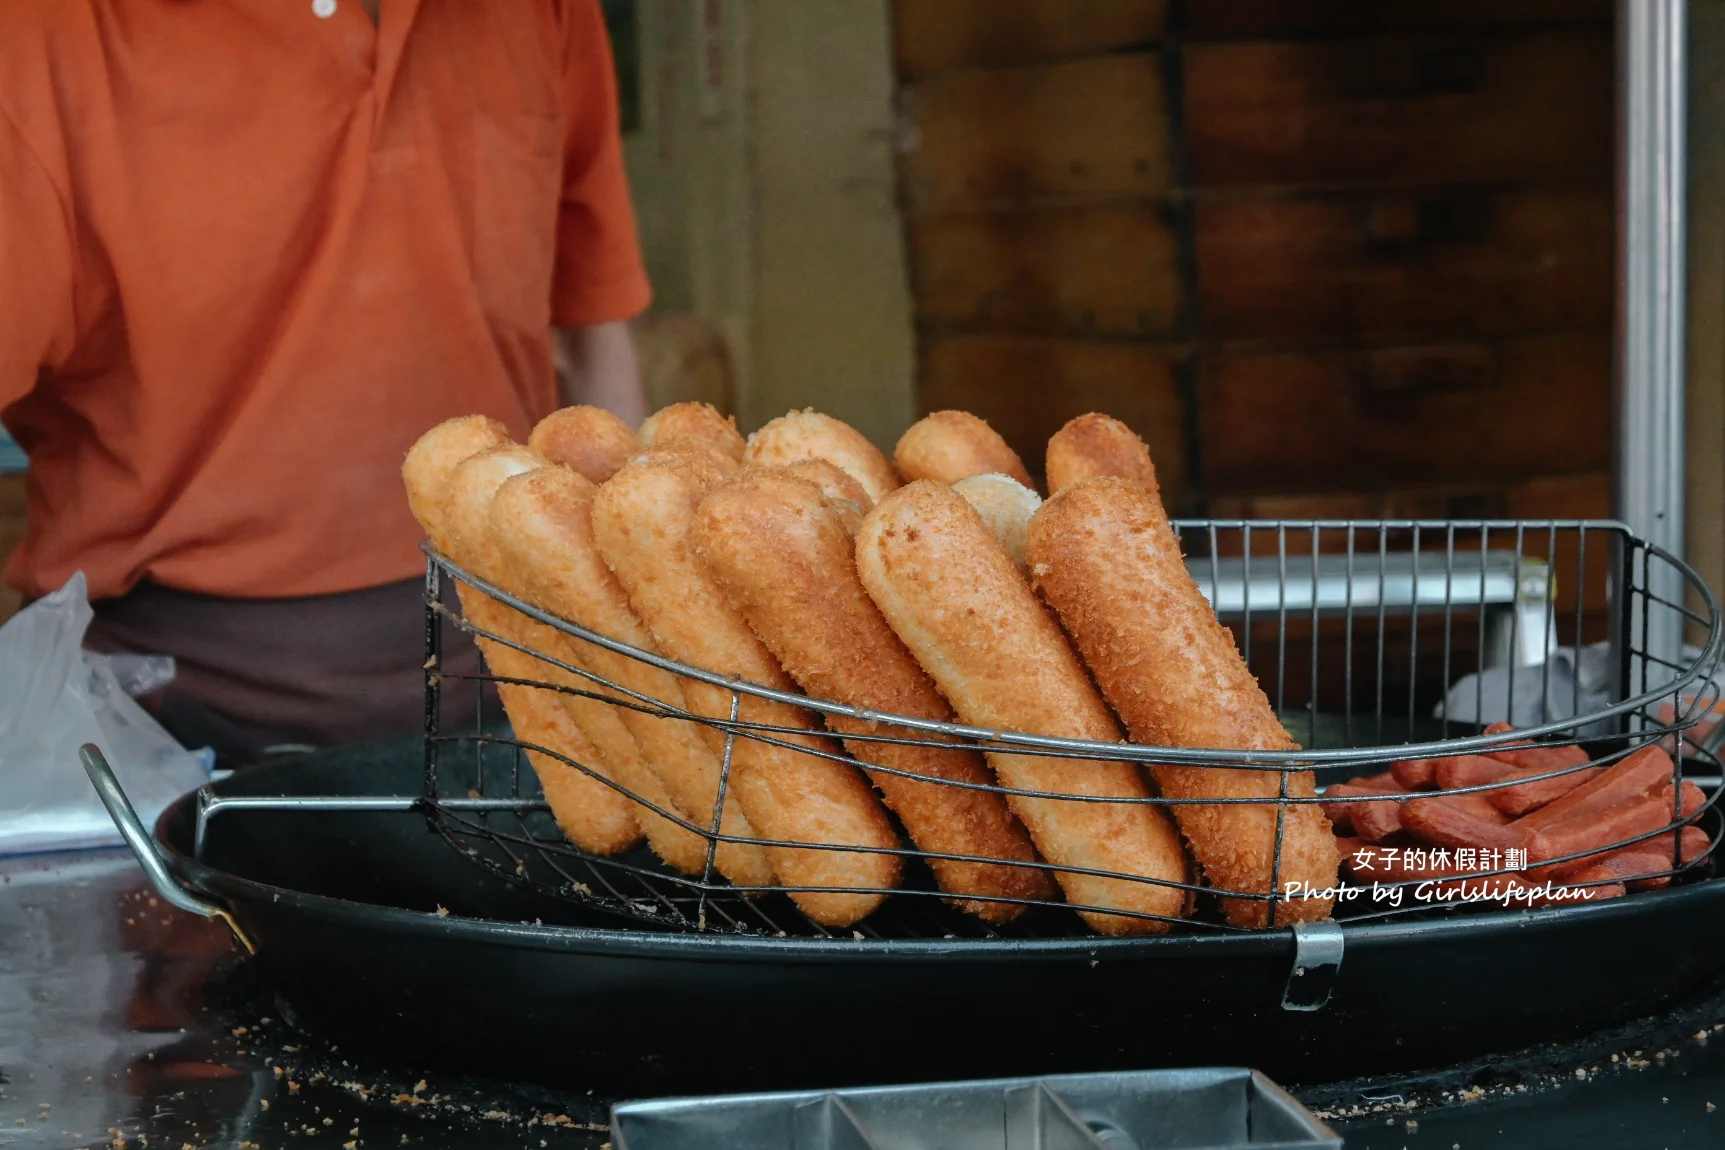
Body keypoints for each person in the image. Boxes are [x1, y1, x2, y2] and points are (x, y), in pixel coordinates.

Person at [0, 0, 650, 765]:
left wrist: (641, 640)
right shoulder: (44, 34)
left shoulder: (538, 12)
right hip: (167, 723)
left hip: (532, 691)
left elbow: (593, 327)